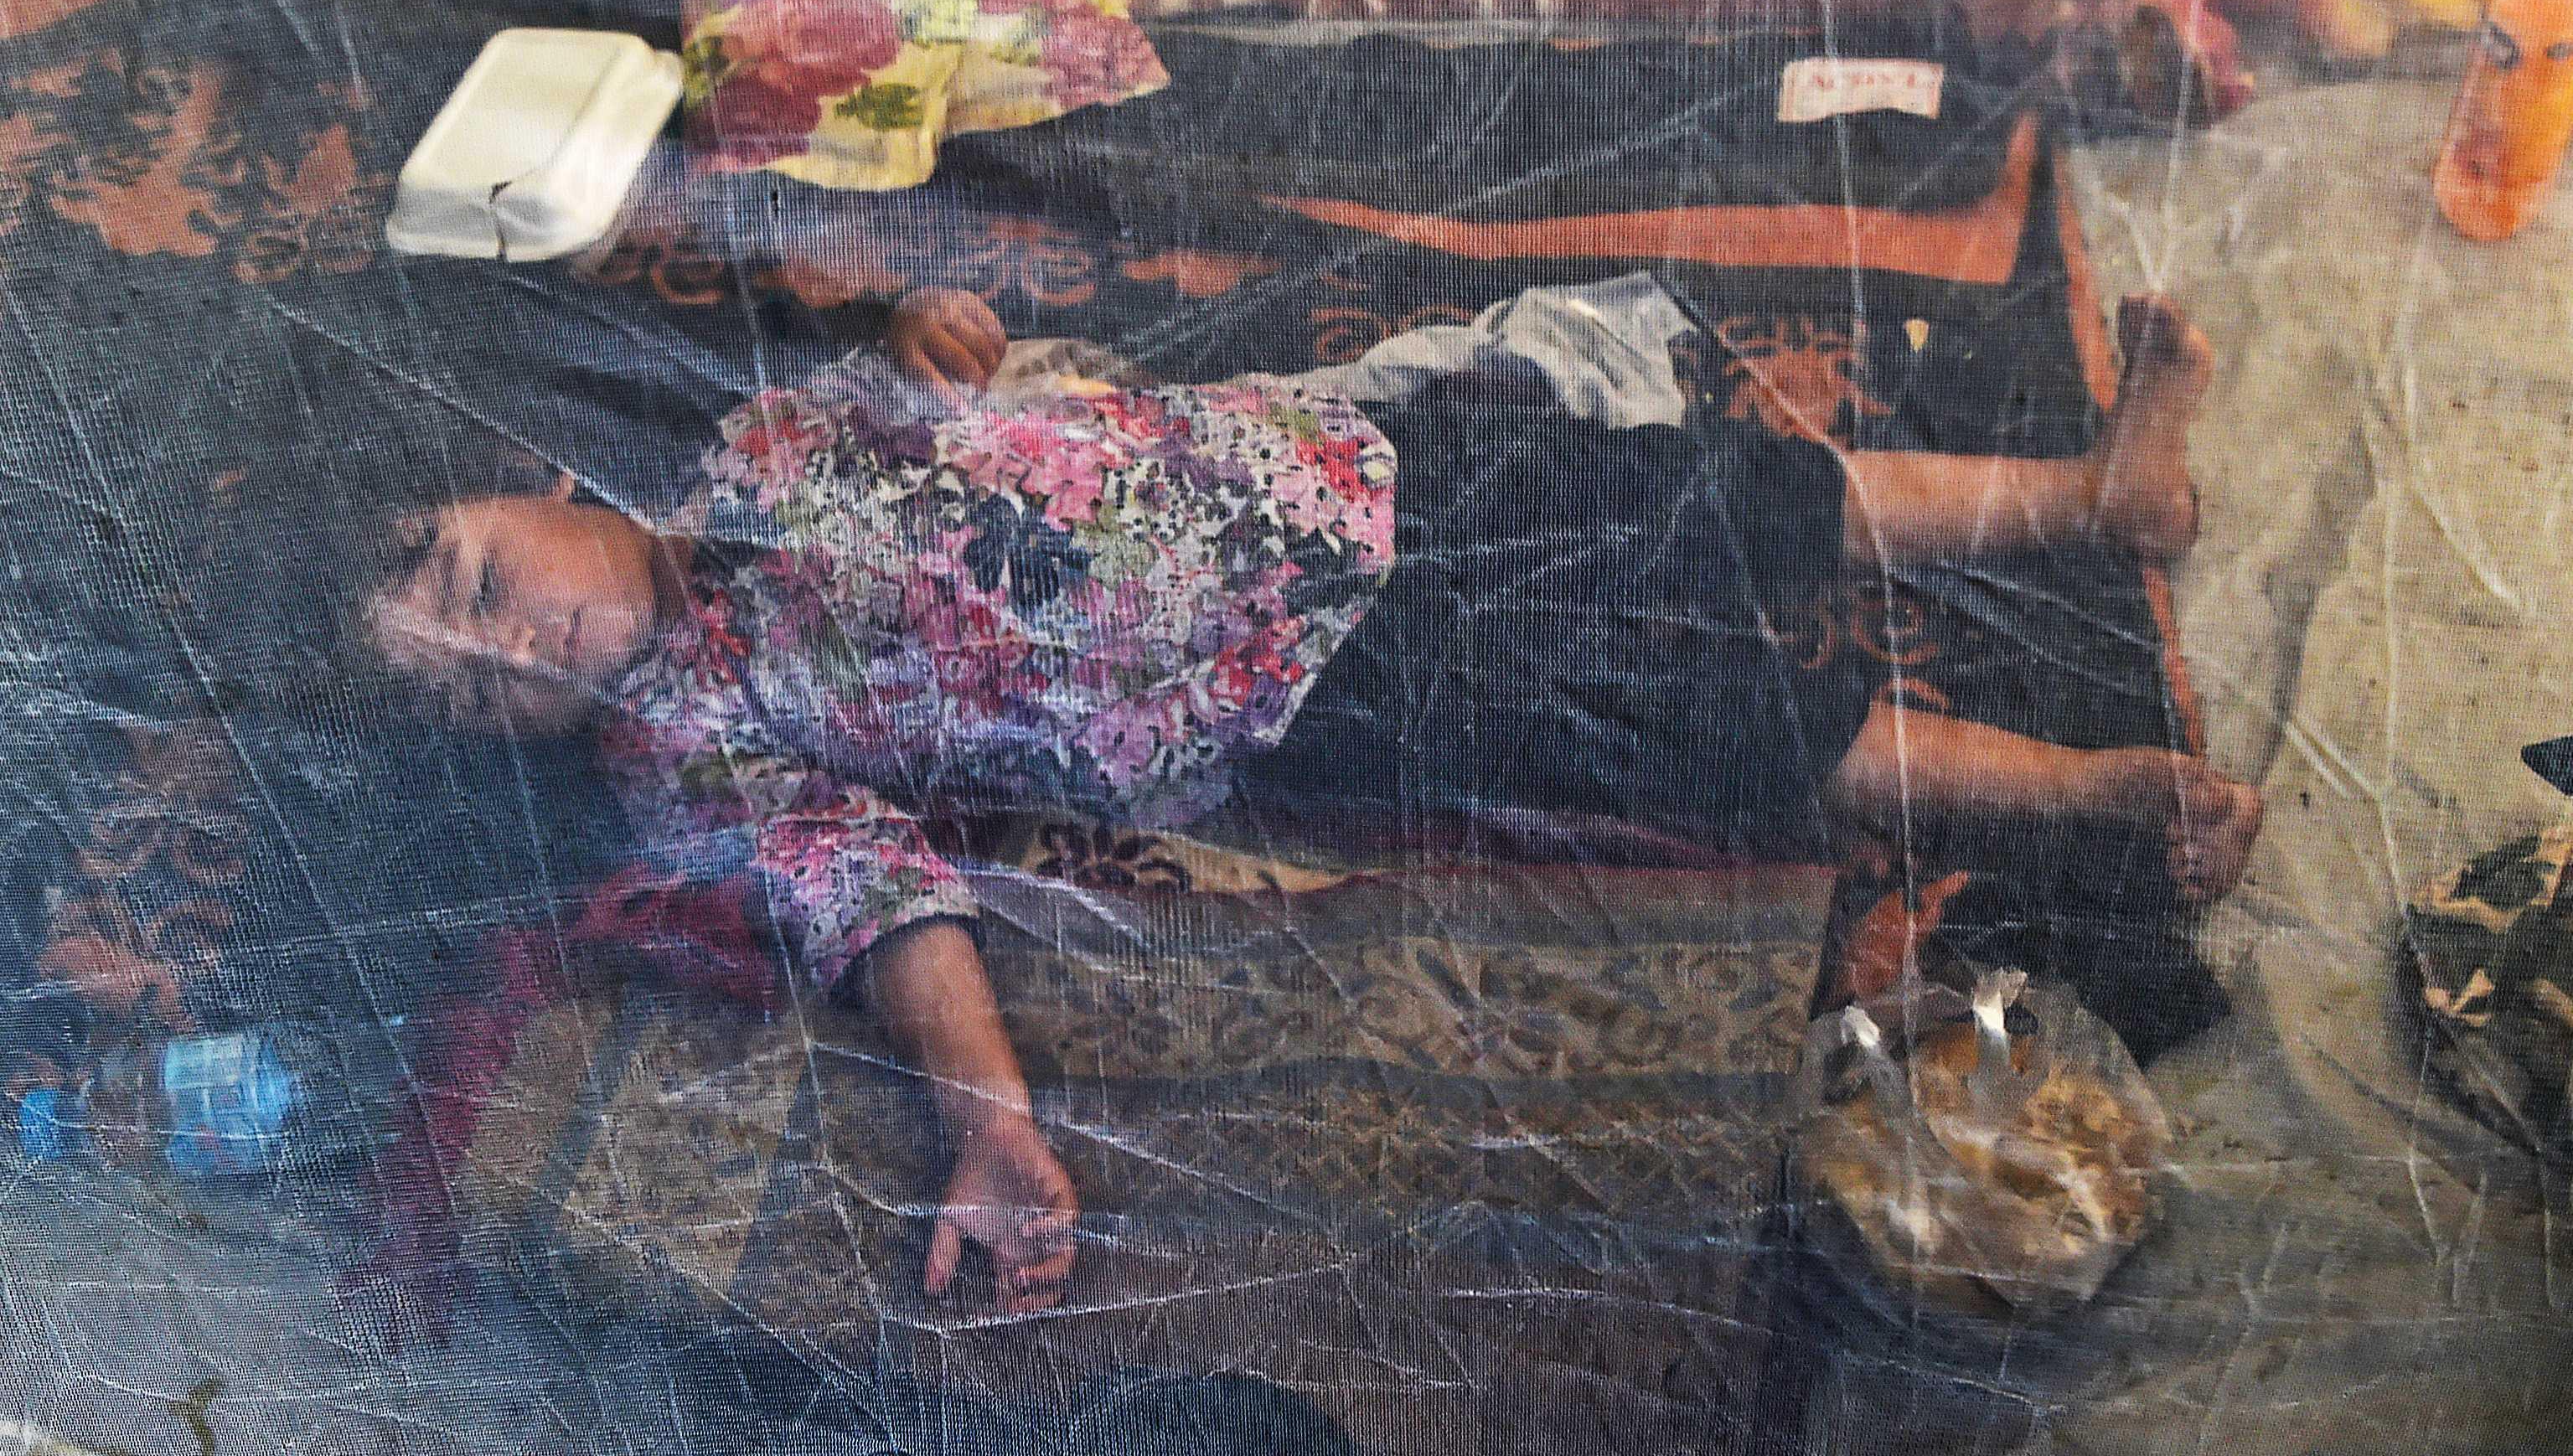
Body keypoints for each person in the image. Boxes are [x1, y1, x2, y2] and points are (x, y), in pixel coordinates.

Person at [330, 283, 2260, 1317]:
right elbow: (870, 902)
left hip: (1329, 479)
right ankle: (2091, 793)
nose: (522, 648)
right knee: (1721, 716)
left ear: (532, 478)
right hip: (1306, 690)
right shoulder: (692, 752)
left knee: (1741, 501)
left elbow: (943, 366)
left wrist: (939, 335)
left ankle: (2098, 502)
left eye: (486, 584)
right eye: (480, 691)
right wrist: (990, 1126)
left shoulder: (743, 439)